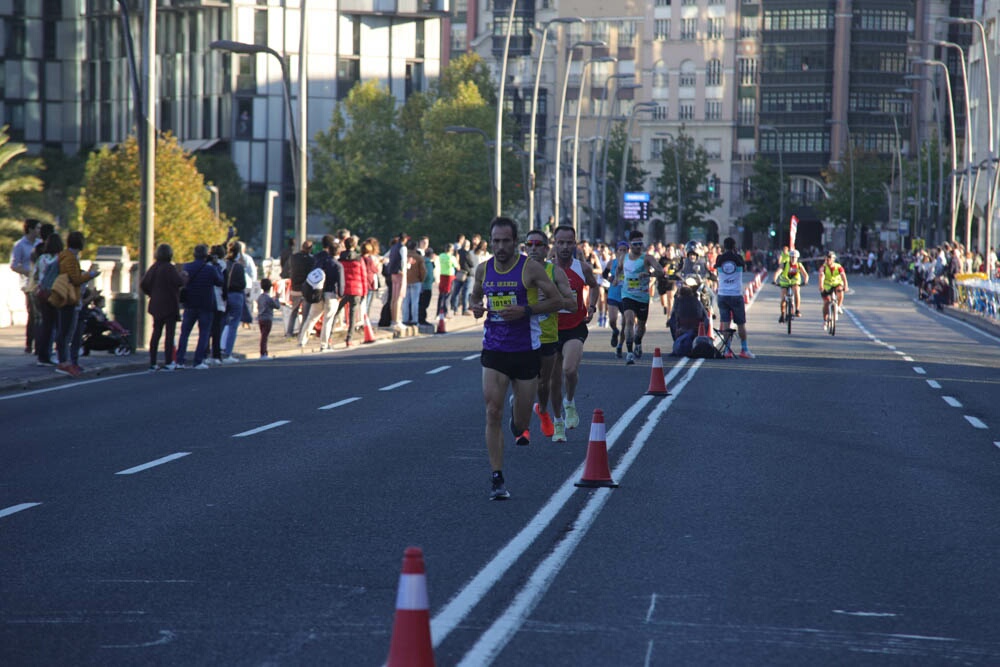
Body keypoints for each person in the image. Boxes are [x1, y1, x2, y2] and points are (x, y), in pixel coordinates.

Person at [470, 217, 564, 500]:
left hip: (525, 351)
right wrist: (475, 308)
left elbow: (557, 301)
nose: (500, 247)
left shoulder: (530, 268)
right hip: (494, 350)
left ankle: (519, 417)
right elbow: (476, 299)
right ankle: (497, 476)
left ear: (515, 242)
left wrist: (526, 310)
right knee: (491, 412)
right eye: (495, 241)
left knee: (520, 425)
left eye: (505, 241)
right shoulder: (483, 269)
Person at [549, 224, 600, 440]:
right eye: (560, 242)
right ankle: (558, 421)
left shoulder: (583, 268)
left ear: (575, 244)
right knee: (553, 380)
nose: (564, 246)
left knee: (569, 370)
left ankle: (569, 401)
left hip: (575, 326)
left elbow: (595, 286)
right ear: (554, 243)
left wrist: (592, 306)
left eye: (569, 242)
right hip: (550, 329)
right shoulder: (546, 269)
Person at [524, 229, 576, 440]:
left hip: (548, 337)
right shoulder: (517, 271)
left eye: (538, 245)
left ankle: (543, 411)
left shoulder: (555, 272)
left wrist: (553, 300)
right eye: (530, 245)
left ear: (547, 249)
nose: (534, 249)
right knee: (525, 381)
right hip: (522, 337)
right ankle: (523, 421)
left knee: (544, 384)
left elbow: (572, 305)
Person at [53, 231, 100, 378]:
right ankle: (64, 362)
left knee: (66, 331)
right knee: (66, 332)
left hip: (66, 297)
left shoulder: (66, 256)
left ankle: (65, 361)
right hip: (69, 298)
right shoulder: (70, 258)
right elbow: (75, 279)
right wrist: (91, 275)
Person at [617, 230, 665, 365]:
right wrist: (616, 278)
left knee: (641, 326)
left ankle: (638, 341)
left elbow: (661, 271)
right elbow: (619, 268)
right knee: (629, 320)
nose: (639, 246)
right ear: (630, 245)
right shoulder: (623, 257)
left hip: (642, 296)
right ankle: (630, 352)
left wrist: (649, 274)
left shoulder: (647, 258)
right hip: (627, 294)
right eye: (636, 244)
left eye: (641, 244)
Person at [176, 244, 224, 369]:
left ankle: (180, 360)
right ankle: (198, 361)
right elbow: (220, 281)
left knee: (184, 333)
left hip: (190, 303)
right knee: (204, 333)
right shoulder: (210, 269)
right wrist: (216, 265)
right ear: (206, 255)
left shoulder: (187, 267)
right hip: (206, 304)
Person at [139, 243, 184, 370]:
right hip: (169, 304)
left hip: (156, 304)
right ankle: (169, 361)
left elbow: (144, 284)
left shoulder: (154, 267)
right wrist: (184, 277)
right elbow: (179, 282)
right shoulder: (169, 268)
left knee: (156, 333)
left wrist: (151, 293)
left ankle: (153, 362)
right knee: (169, 334)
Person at [299, 235, 344, 350]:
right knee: (328, 320)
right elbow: (341, 284)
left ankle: (302, 341)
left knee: (312, 317)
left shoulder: (319, 260)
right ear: (337, 252)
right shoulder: (338, 266)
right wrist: (340, 295)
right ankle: (324, 344)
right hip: (331, 294)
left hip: (318, 292)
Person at [714, 237, 754, 359]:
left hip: (723, 294)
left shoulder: (720, 258)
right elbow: (744, 268)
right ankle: (744, 349)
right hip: (736, 294)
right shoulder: (738, 258)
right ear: (734, 246)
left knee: (725, 323)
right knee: (740, 323)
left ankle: (727, 350)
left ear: (724, 246)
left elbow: (717, 270)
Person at [33, 233, 63, 367]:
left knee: (46, 325)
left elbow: (35, 275)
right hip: (55, 293)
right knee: (58, 325)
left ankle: (42, 354)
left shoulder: (41, 258)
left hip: (42, 294)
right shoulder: (60, 259)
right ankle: (54, 354)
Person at [11, 219, 41, 354]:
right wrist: (29, 273)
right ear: (30, 229)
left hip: (40, 281)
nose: (39, 231)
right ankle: (30, 343)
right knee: (33, 313)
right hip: (28, 284)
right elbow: (14, 265)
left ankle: (39, 343)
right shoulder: (20, 245)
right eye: (37, 228)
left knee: (41, 314)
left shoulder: (40, 244)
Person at [332, 235, 369, 346]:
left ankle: (329, 336)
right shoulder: (359, 259)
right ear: (355, 245)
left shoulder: (340, 259)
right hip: (356, 289)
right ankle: (349, 339)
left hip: (343, 290)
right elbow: (364, 276)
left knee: (335, 313)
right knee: (352, 315)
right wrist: (364, 291)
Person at [221, 243, 248, 362]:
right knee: (233, 325)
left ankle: (217, 351)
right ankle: (228, 353)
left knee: (221, 323)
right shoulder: (238, 266)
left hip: (224, 296)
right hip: (236, 295)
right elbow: (243, 284)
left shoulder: (224, 264)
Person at [285, 240, 315, 337]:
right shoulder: (311, 260)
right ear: (310, 249)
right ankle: (301, 333)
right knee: (305, 314)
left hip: (295, 288)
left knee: (294, 312)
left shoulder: (293, 258)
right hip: (306, 289)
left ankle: (289, 332)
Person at [603, 241, 628, 358]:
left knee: (625, 323)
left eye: (625, 250)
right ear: (616, 252)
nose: (622, 252)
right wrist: (610, 279)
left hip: (626, 296)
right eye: (620, 250)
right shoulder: (611, 263)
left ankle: (620, 346)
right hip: (613, 294)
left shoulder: (631, 264)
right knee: (612, 320)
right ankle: (614, 331)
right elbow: (604, 275)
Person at [773, 248, 809, 322]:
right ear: (789, 257)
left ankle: (797, 310)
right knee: (783, 298)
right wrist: (774, 280)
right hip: (785, 281)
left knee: (796, 290)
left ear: (797, 258)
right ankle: (782, 314)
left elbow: (805, 274)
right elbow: (778, 272)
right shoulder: (785, 264)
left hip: (794, 281)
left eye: (795, 258)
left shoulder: (799, 265)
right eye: (792, 257)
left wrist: (805, 281)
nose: (793, 259)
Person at [820, 250, 849, 326]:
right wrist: (821, 286)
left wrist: (846, 286)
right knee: (826, 302)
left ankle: (839, 306)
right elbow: (821, 276)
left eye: (830, 258)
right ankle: (825, 320)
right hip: (827, 285)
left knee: (840, 290)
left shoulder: (838, 267)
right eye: (826, 258)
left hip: (837, 283)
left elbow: (843, 276)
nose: (828, 260)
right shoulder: (823, 267)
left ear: (833, 259)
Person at [403, 238, 426, 325]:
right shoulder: (419, 258)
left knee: (405, 301)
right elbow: (423, 271)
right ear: (415, 247)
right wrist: (422, 279)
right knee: (415, 301)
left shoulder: (405, 256)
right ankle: (414, 319)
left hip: (406, 280)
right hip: (416, 281)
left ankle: (405, 318)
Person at [256, 278, 280, 359]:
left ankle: (264, 352)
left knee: (263, 335)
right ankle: (263, 353)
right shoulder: (268, 299)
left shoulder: (260, 297)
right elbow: (277, 306)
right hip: (267, 319)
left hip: (260, 318)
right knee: (264, 337)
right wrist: (277, 298)